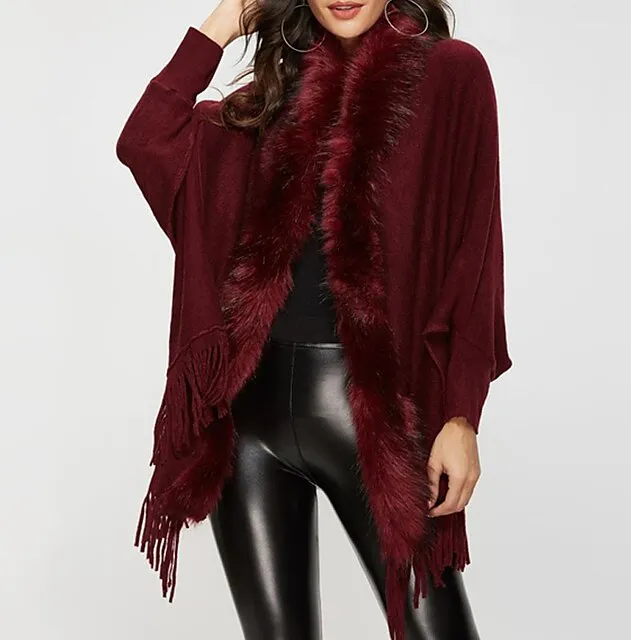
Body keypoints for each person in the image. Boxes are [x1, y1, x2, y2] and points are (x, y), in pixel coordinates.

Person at [115, 0, 513, 638]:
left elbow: (476, 251)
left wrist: (462, 414)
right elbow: (144, 140)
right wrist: (224, 23)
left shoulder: (451, 73)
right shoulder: (273, 96)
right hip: (250, 418)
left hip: (370, 416)